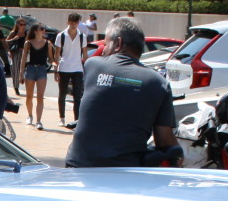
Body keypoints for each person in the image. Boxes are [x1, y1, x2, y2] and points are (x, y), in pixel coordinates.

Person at [65, 17, 177, 168]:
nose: (103, 50)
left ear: (117, 43)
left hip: (78, 167)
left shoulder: (93, 65)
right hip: (125, 174)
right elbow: (164, 141)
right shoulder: (158, 83)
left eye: (105, 44)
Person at [53, 13, 88, 128]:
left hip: (77, 68)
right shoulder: (61, 36)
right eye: (71, 22)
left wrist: (87, 69)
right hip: (64, 67)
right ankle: (62, 118)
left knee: (77, 95)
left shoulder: (82, 36)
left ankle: (76, 120)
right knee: (62, 94)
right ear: (68, 22)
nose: (73, 25)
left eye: (75, 22)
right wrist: (56, 70)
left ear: (78, 23)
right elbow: (57, 54)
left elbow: (85, 54)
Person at [18, 22, 53, 129]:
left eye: (44, 29)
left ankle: (38, 120)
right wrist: (21, 74)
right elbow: (23, 59)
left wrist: (55, 63)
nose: (43, 30)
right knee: (29, 96)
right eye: (41, 29)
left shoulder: (48, 43)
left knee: (40, 96)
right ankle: (29, 115)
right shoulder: (28, 43)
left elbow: (51, 58)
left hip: (42, 69)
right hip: (31, 69)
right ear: (35, 31)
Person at [5, 17, 28, 94]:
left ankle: (22, 83)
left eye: (24, 24)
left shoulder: (26, 33)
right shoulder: (13, 33)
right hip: (14, 53)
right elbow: (6, 41)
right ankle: (16, 87)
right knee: (15, 70)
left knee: (23, 70)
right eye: (21, 24)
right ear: (17, 25)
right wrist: (14, 39)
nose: (23, 26)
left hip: (23, 53)